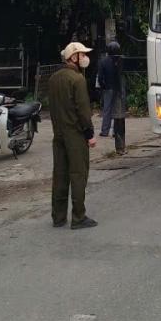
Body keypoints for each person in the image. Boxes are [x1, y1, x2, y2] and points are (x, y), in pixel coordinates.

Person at [49, 42, 98, 229]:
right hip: (75, 135)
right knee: (78, 174)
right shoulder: (77, 80)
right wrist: (90, 134)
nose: (85, 58)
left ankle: (58, 216)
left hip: (58, 134)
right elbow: (83, 111)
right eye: (82, 54)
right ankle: (78, 217)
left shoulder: (54, 78)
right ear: (74, 57)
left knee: (60, 175)